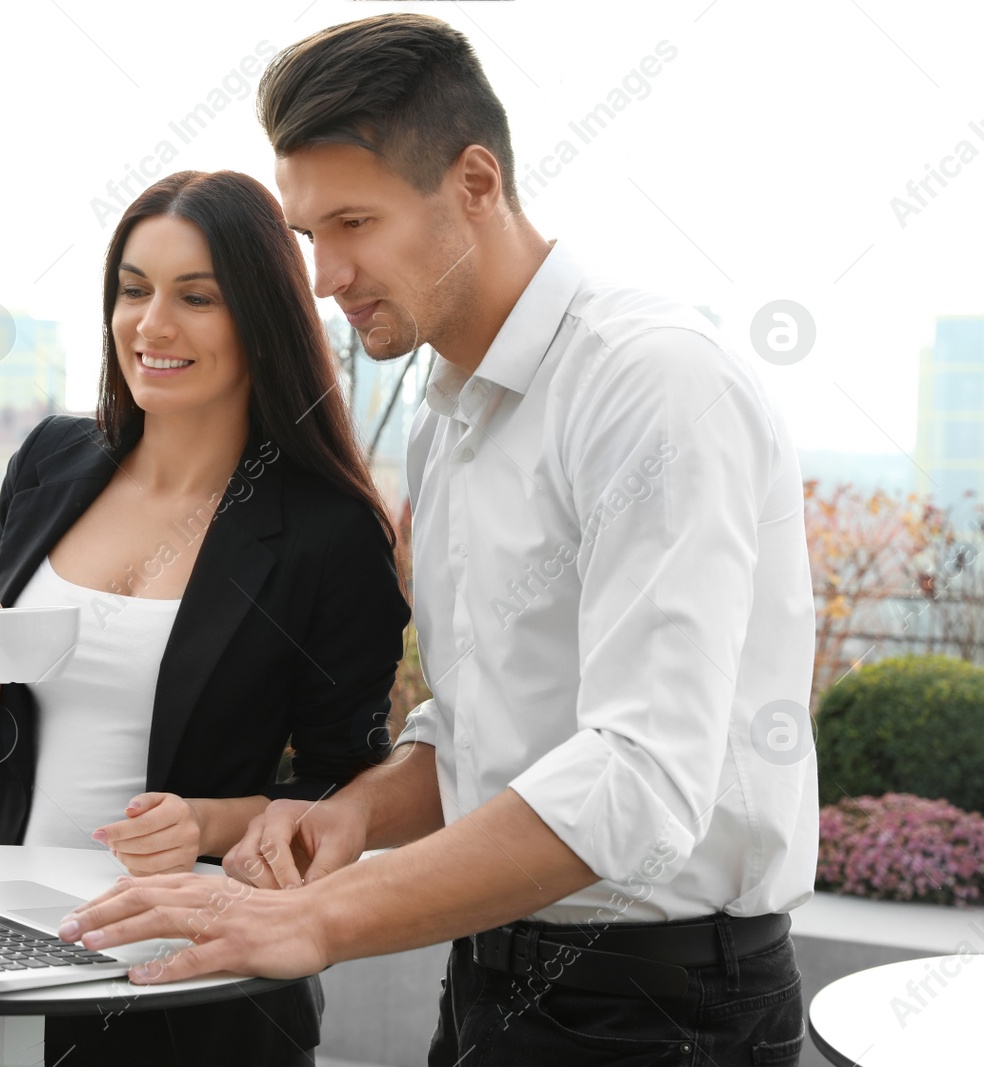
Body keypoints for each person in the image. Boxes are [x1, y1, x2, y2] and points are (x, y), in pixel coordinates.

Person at [56, 13, 817, 1066]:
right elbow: (477, 730)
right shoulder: (446, 411)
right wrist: (352, 814)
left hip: (662, 1008)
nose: (323, 274)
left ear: (473, 183)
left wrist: (316, 917)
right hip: (490, 974)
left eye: (353, 224)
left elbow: (638, 779)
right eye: (310, 232)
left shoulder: (652, 384)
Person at [0, 168, 411, 1066]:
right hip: (14, 952)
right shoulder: (51, 462)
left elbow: (349, 790)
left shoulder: (325, 533)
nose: (151, 325)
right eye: (133, 289)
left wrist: (212, 823)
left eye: (197, 297)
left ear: (261, 320)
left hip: (194, 984)